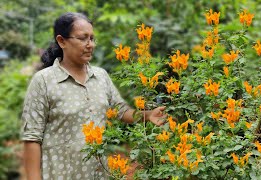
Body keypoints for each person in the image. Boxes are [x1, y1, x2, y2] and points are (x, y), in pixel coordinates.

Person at [21, 12, 167, 180]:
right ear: (62, 41)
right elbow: (32, 137)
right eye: (83, 38)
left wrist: (147, 115)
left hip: (98, 174)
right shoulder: (44, 81)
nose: (90, 44)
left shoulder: (101, 76)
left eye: (92, 38)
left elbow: (119, 110)